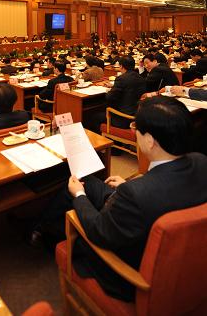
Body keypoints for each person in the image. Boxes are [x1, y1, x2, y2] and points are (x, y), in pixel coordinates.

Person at [31, 97, 207, 302]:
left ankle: (43, 232)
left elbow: (98, 231)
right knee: (88, 181)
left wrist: (78, 195)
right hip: (164, 234)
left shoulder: (136, 193)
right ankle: (39, 224)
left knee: (76, 195)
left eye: (136, 127)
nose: (134, 131)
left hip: (128, 269)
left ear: (150, 141)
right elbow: (162, 193)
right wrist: (127, 187)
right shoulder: (201, 161)